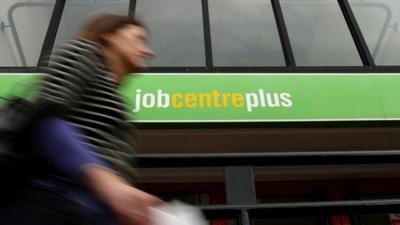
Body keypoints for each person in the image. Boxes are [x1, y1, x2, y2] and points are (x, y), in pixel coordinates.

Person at [0, 14, 161, 225]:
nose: (149, 51)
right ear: (110, 35)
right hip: (55, 201)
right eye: (138, 38)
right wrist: (106, 183)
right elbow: (46, 119)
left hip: (87, 210)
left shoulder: (117, 99)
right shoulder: (83, 53)